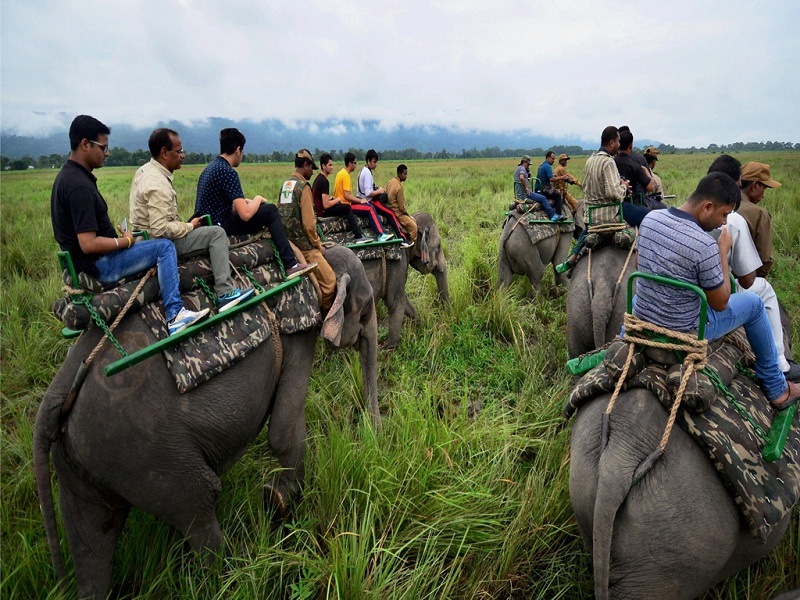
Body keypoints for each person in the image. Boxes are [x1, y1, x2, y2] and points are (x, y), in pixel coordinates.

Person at [633, 171, 798, 409]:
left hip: (646, 319)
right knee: (754, 304)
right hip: (685, 330)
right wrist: (722, 251)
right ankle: (777, 388)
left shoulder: (650, 219)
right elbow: (720, 302)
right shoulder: (705, 244)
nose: (723, 222)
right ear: (707, 207)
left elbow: (640, 264)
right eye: (724, 214)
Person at [51, 115, 208, 336]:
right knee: (164, 247)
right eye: (103, 147)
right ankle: (175, 313)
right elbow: (88, 244)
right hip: (100, 265)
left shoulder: (66, 177)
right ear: (85, 144)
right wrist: (124, 241)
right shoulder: (78, 186)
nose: (107, 153)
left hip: (88, 263)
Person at [130, 128, 254, 313]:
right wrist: (189, 226)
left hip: (144, 239)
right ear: (164, 153)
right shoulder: (156, 183)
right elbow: (160, 228)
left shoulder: (145, 171)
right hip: (159, 243)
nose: (183, 155)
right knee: (217, 233)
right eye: (178, 152)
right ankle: (225, 292)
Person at [707, 155, 799, 382]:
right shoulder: (734, 219)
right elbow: (748, 278)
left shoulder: (685, 212)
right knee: (763, 289)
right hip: (712, 298)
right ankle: (779, 363)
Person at [194, 128, 316, 279]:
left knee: (262, 209)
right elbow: (245, 214)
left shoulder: (209, 169)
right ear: (238, 150)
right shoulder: (228, 172)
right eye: (242, 151)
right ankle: (291, 264)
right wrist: (258, 199)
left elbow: (226, 204)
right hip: (219, 227)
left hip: (207, 225)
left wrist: (249, 203)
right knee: (270, 210)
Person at [278, 149, 336, 311]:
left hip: (287, 242)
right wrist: (318, 245)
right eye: (311, 168)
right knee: (330, 282)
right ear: (305, 165)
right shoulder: (303, 187)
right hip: (303, 247)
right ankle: (321, 317)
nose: (312, 172)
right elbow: (309, 224)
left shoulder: (286, 185)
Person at [583, 125, 649, 227]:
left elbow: (586, 187)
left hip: (590, 215)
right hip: (609, 212)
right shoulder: (608, 161)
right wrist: (624, 186)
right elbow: (614, 193)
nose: (619, 145)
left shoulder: (590, 160)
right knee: (648, 215)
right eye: (618, 141)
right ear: (612, 142)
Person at [311, 153, 371, 244]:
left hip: (319, 209)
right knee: (346, 207)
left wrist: (332, 199)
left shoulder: (318, 179)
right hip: (322, 212)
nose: (332, 167)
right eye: (329, 165)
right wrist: (337, 200)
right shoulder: (324, 181)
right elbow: (326, 205)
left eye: (332, 165)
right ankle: (358, 236)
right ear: (323, 166)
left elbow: (322, 199)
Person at [334, 152, 393, 242]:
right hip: (346, 205)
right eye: (354, 163)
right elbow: (347, 195)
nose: (356, 165)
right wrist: (360, 201)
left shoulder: (340, 173)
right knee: (370, 208)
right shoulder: (346, 175)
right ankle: (380, 234)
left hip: (342, 203)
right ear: (350, 163)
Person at [357, 149, 412, 245]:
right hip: (370, 200)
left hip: (365, 199)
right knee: (390, 213)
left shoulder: (363, 170)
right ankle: (401, 238)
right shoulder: (367, 173)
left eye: (376, 162)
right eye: (374, 162)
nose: (375, 164)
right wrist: (379, 191)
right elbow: (368, 193)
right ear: (368, 161)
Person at [737, 161, 782, 278]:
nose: (763, 195)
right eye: (765, 188)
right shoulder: (759, 214)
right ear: (755, 185)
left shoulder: (721, 203)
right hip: (745, 280)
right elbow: (764, 260)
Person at [513, 155, 564, 221]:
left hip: (518, 194)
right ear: (524, 162)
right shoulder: (522, 168)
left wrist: (527, 175)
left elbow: (522, 178)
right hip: (525, 195)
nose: (528, 167)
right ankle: (552, 215)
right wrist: (526, 187)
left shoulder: (518, 168)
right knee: (543, 198)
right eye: (528, 165)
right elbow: (521, 177)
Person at [614, 127, 655, 205]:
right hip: (636, 200)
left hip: (616, 202)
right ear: (631, 146)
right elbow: (651, 187)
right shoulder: (637, 164)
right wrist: (645, 170)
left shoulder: (611, 162)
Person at [384, 164, 418, 245]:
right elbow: (401, 208)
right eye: (405, 174)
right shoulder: (399, 188)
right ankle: (413, 251)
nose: (406, 176)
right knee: (414, 227)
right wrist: (407, 214)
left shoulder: (390, 182)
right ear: (399, 174)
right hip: (397, 213)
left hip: (388, 209)